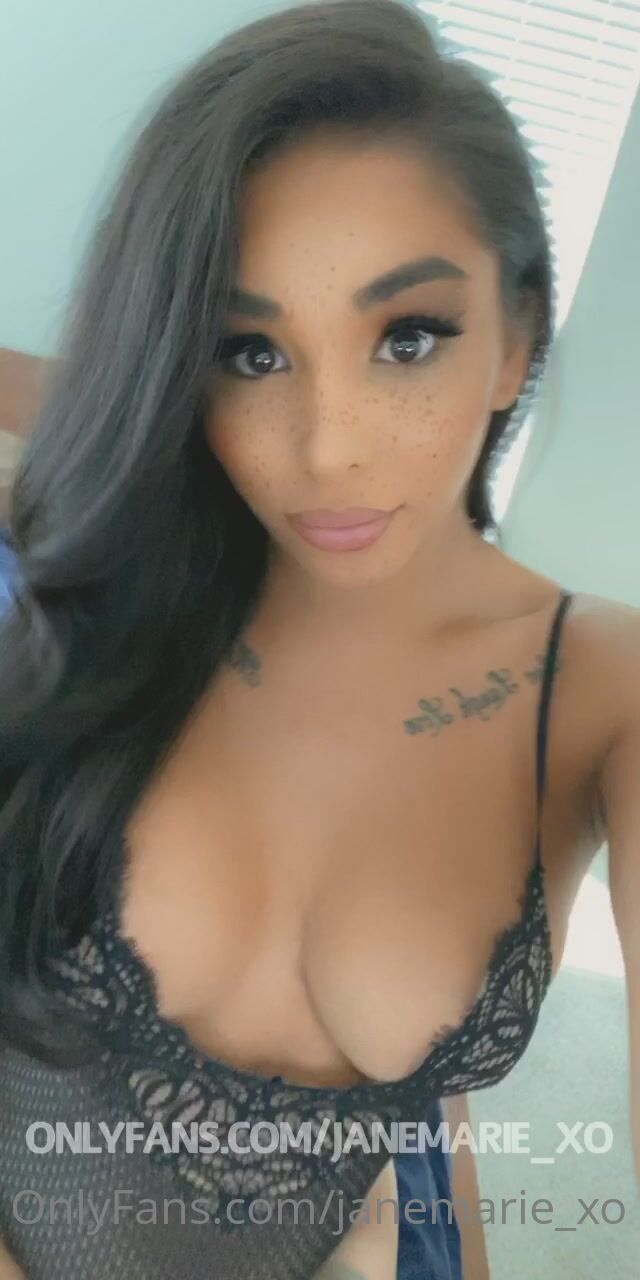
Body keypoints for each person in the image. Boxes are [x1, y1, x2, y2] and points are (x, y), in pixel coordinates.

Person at [1, 1, 639, 1276]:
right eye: (249, 351)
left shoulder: (600, 691)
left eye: (408, 337)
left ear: (515, 339)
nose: (327, 448)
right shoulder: (108, 565)